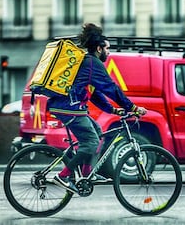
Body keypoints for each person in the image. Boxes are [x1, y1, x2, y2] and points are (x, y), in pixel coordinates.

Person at [48, 23, 147, 193]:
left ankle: (87, 173)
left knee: (97, 132)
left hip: (71, 107)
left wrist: (112, 110)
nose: (109, 52)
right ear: (99, 49)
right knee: (91, 141)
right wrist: (133, 107)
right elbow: (112, 88)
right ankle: (63, 176)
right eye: (107, 48)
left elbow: (95, 93)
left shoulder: (88, 63)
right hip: (68, 107)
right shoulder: (92, 63)